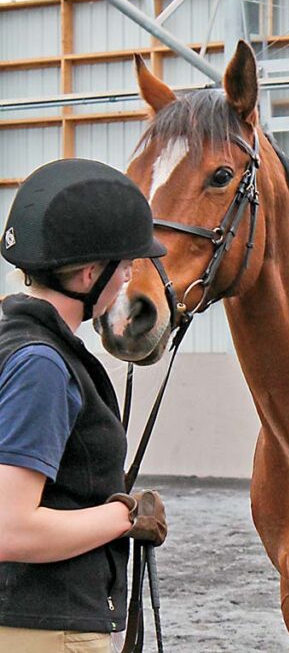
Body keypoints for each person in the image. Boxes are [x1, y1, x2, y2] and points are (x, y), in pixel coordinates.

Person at [0, 159, 169, 653]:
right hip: (48, 631)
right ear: (91, 273)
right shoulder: (42, 364)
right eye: (126, 264)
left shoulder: (14, 340)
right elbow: (11, 527)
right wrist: (126, 515)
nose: (130, 278)